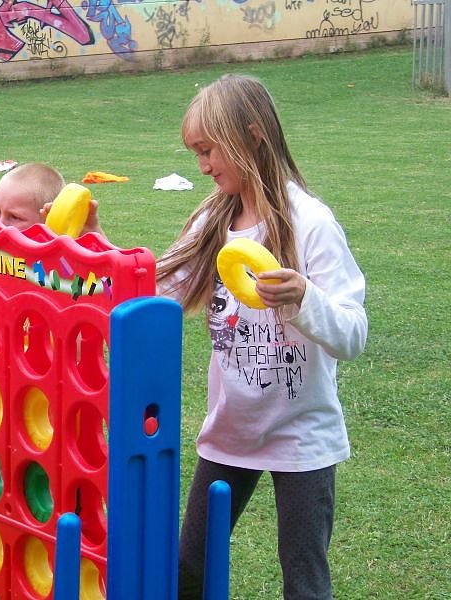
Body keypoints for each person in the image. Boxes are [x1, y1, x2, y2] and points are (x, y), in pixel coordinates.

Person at [155, 74, 367, 599]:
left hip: (302, 438)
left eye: (208, 150)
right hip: (231, 431)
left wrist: (304, 301)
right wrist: (97, 246)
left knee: (304, 579)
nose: (201, 166)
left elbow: (353, 333)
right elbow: (160, 291)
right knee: (189, 568)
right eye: (196, 153)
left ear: (251, 135)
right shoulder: (213, 217)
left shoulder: (311, 223)